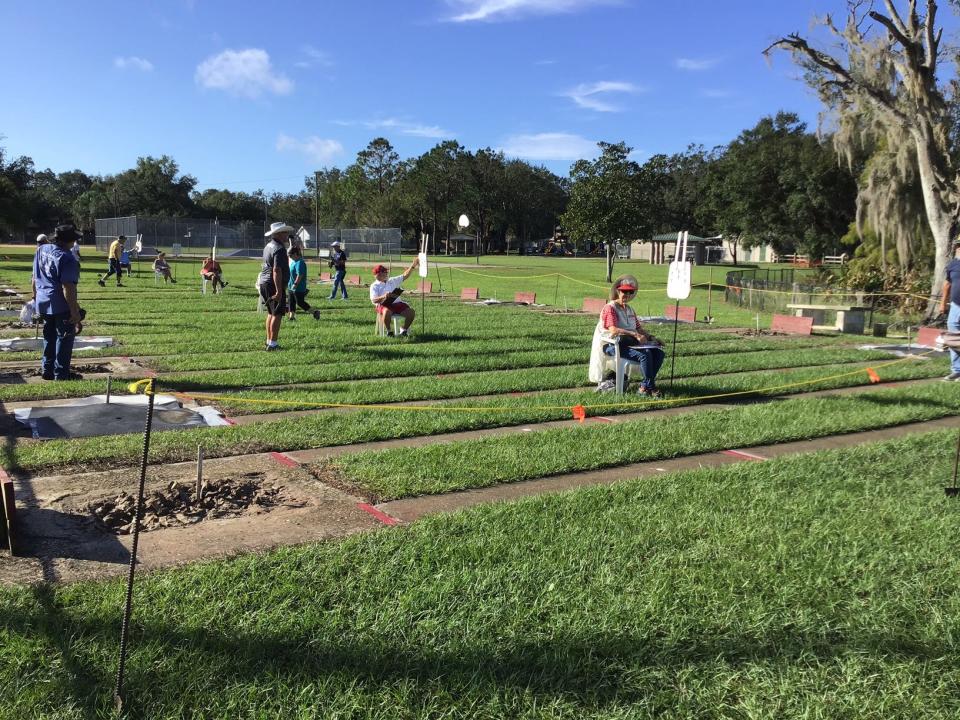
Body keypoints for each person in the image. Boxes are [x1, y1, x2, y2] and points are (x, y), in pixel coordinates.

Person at [589, 274, 666, 396]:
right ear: (618, 291)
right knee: (645, 355)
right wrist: (634, 335)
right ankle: (650, 387)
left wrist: (652, 338)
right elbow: (613, 330)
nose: (627, 295)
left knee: (659, 353)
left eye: (630, 292)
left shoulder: (630, 309)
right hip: (612, 345)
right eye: (624, 291)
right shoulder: (610, 308)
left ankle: (644, 386)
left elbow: (639, 328)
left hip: (630, 344)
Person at [32, 224, 83, 381]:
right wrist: (75, 312)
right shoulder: (67, 258)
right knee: (65, 338)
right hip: (60, 304)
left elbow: (34, 278)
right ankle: (61, 374)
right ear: (70, 241)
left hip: (43, 301)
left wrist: (35, 299)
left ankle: (47, 370)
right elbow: (68, 287)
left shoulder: (41, 250)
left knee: (49, 337)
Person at [259, 222, 293, 350]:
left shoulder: (268, 246)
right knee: (277, 314)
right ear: (278, 234)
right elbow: (276, 270)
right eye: (285, 232)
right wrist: (279, 291)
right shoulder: (279, 248)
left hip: (264, 282)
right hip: (273, 284)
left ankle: (269, 341)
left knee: (270, 313)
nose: (287, 235)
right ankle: (273, 344)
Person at [369, 258, 419, 336]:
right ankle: (389, 331)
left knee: (411, 312)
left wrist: (413, 265)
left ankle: (404, 330)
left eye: (386, 272)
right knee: (387, 311)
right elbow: (374, 300)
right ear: (377, 275)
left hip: (397, 304)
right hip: (384, 305)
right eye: (384, 272)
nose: (386, 274)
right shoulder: (374, 285)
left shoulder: (392, 280)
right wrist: (383, 296)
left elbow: (405, 275)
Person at [940, 238, 960, 381]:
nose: (958, 248)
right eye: (958, 246)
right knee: (953, 338)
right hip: (955, 307)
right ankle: (957, 370)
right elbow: (947, 285)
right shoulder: (952, 265)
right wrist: (943, 304)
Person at [286, 246, 312, 319]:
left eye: (290, 255)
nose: (289, 257)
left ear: (295, 254)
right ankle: (292, 317)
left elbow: (299, 275)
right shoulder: (293, 262)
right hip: (291, 286)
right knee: (291, 302)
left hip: (298, 287)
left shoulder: (300, 262)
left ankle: (314, 312)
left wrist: (295, 284)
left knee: (300, 303)